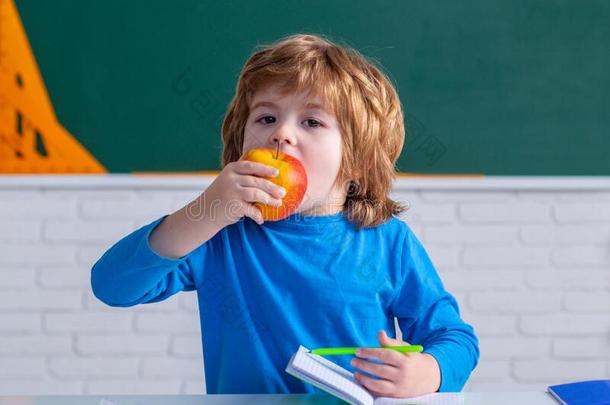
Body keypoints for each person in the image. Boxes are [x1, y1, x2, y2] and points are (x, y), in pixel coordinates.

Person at [91, 33, 479, 397]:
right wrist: (206, 211)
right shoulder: (219, 234)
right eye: (266, 118)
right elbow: (112, 285)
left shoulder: (388, 240)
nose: (281, 135)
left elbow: (455, 339)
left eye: (311, 121)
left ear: (358, 159)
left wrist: (428, 371)